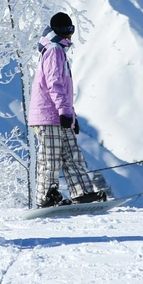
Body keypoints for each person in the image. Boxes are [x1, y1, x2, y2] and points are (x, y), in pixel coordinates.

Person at [30, 12, 106, 207]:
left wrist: (71, 115)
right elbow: (54, 83)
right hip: (48, 115)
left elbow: (64, 89)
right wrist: (64, 112)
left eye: (71, 29)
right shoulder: (53, 50)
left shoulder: (58, 50)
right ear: (56, 30)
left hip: (59, 114)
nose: (68, 34)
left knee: (73, 155)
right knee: (51, 158)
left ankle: (82, 192)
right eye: (65, 30)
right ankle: (46, 197)